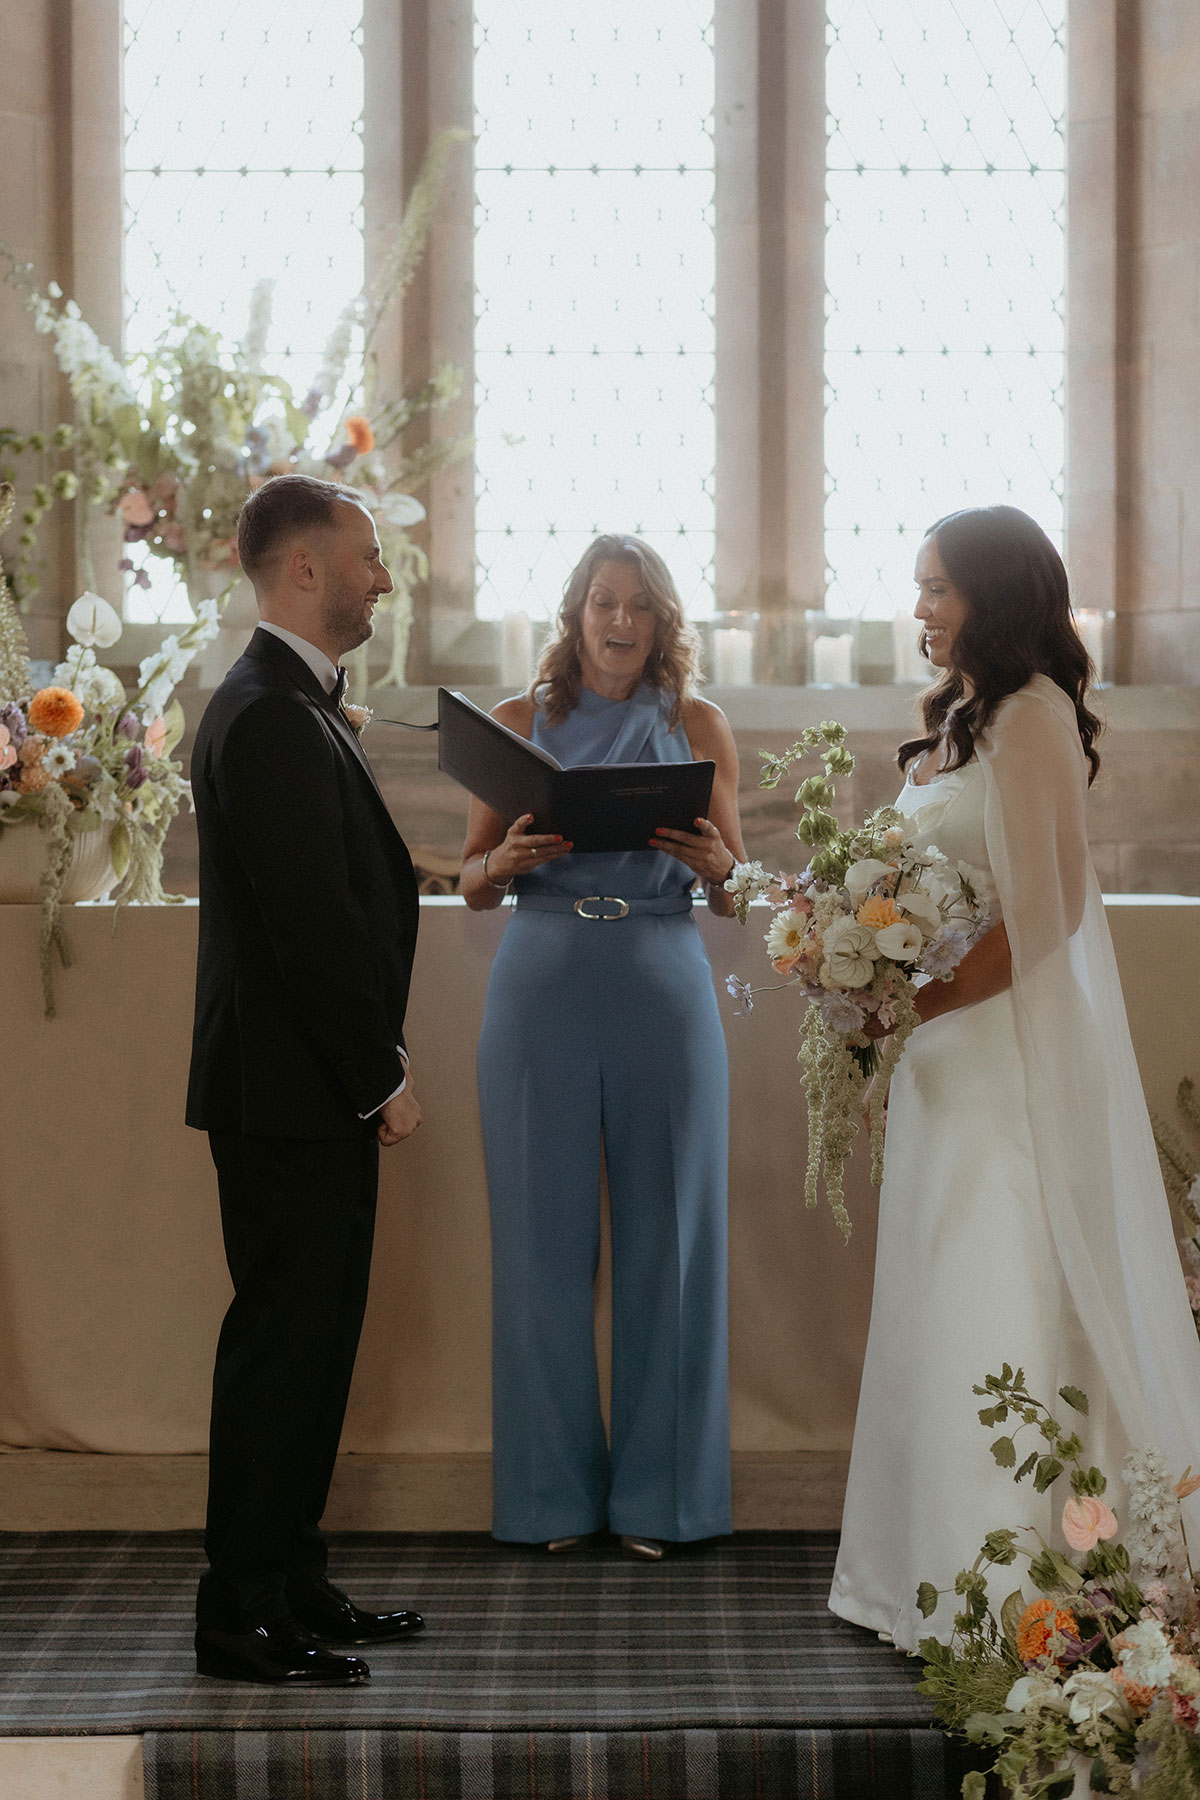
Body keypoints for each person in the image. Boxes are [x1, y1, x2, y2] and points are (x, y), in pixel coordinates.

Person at [829, 504, 1200, 1651]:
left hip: (996, 1059)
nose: (923, 608)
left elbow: (1049, 916)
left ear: (995, 594)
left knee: (992, 1289)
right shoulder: (959, 723)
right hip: (944, 1061)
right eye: (919, 584)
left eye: (939, 586)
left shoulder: (1035, 719)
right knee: (937, 1296)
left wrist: (913, 998)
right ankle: (920, 1570)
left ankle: (1004, 1596)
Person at [461, 534, 746, 1556]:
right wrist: (505, 855)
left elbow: (736, 894)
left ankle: (664, 1503)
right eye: (602, 603)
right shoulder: (516, 726)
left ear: (662, 625)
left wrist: (718, 863)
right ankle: (547, 1499)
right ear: (574, 614)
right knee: (540, 1245)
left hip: (663, 985)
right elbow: (469, 880)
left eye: (639, 607)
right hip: (540, 986)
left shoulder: (698, 724)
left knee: (671, 1242)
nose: (620, 622)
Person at [186, 474, 425, 1684]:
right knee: (283, 1346)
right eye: (370, 558)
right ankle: (238, 1612)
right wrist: (380, 1075)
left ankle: (290, 1578)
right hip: (290, 1089)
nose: (385, 579)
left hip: (299, 1086)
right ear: (308, 571)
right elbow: (307, 927)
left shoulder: (293, 701)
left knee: (316, 1343)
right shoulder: (271, 711)